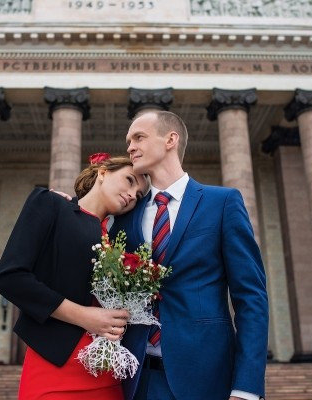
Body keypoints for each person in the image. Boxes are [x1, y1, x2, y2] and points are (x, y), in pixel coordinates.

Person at [114, 111, 268, 400]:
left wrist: (246, 387)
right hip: (136, 381)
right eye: (128, 141)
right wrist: (66, 208)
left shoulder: (222, 202)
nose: (130, 147)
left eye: (139, 137)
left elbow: (251, 298)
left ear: (170, 140)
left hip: (206, 378)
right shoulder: (126, 214)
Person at [0, 155, 149, 400]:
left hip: (108, 374)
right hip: (54, 367)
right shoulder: (51, 204)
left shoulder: (119, 238)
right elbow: (9, 277)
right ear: (103, 172)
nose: (131, 195)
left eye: (138, 195)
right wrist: (85, 316)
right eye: (129, 180)